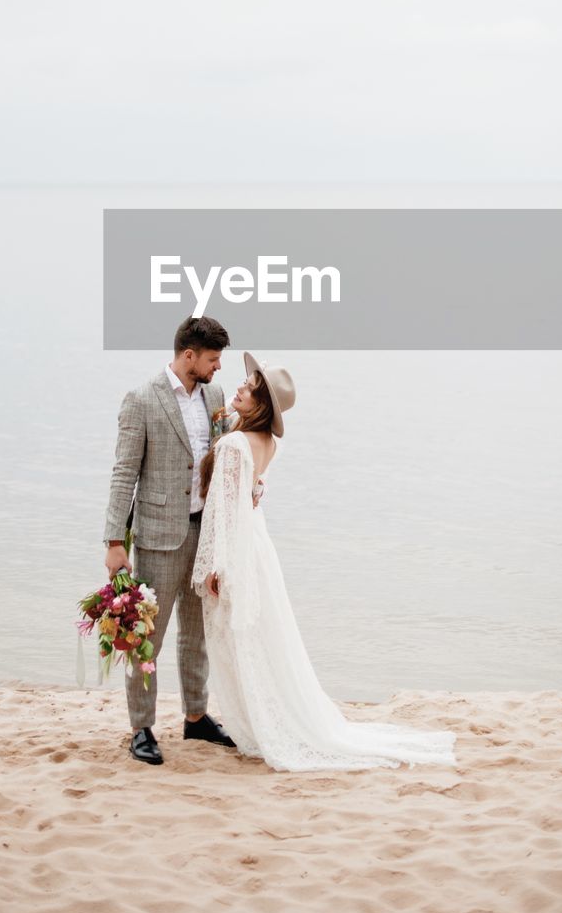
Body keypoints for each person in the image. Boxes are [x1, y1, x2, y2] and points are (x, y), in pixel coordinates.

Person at [191, 352, 459, 772]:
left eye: (249, 387)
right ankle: (267, 718)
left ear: (260, 404)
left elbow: (221, 512)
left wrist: (213, 565)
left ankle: (257, 724)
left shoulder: (233, 444)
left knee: (239, 639)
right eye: (244, 383)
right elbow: (249, 497)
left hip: (237, 549)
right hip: (257, 547)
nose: (239, 388)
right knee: (261, 637)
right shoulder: (267, 444)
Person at [102, 316, 242, 766]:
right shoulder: (142, 400)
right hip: (159, 536)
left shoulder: (215, 396)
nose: (218, 368)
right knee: (148, 639)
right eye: (213, 360)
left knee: (196, 634)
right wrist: (113, 541)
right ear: (189, 356)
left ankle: (196, 717)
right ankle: (141, 728)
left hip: (205, 533)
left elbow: (220, 459)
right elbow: (125, 471)